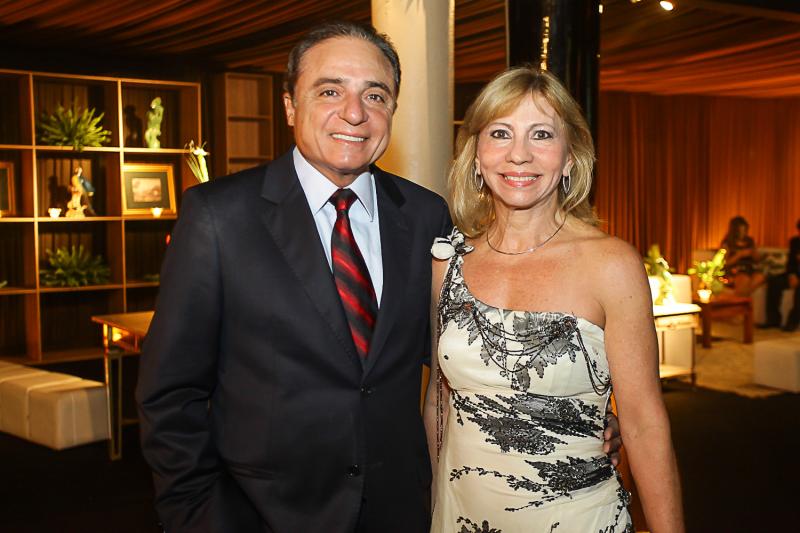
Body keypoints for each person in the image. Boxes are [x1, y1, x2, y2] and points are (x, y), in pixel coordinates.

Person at [137, 22, 621, 533]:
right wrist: (197, 517)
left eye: (375, 95)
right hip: (261, 514)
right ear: (290, 106)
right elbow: (170, 393)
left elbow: (463, 354)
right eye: (330, 91)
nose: (354, 113)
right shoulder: (218, 217)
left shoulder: (425, 217)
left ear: (392, 109)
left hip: (400, 510)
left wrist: (570, 416)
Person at [424, 66, 683, 532]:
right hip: (461, 515)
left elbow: (644, 424)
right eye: (500, 133)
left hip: (578, 518)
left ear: (569, 158)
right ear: (476, 156)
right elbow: (438, 404)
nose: (519, 154)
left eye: (541, 134)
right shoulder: (448, 262)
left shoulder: (611, 264)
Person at [761, 219, 800, 331]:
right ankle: (773, 320)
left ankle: (792, 323)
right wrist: (792, 275)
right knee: (774, 282)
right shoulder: (795, 242)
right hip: (794, 274)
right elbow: (791, 262)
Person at [720, 215, 764, 296]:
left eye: (745, 231)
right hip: (736, 269)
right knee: (744, 278)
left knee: (760, 277)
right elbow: (725, 262)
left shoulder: (750, 241)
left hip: (750, 268)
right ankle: (743, 299)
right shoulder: (728, 242)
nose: (743, 233)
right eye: (740, 231)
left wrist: (754, 254)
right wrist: (739, 255)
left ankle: (742, 297)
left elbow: (757, 259)